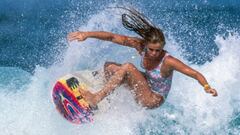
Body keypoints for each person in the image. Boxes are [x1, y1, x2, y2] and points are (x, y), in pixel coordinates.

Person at [67, 8, 217, 109]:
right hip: (144, 86)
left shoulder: (168, 61)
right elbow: (112, 37)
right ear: (145, 44)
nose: (154, 53)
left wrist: (206, 87)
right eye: (151, 49)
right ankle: (106, 100)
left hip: (153, 99)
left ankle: (96, 98)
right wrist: (86, 34)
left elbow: (194, 74)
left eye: (158, 50)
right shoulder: (139, 45)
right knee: (109, 66)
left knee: (127, 67)